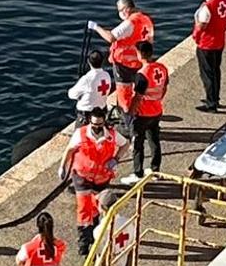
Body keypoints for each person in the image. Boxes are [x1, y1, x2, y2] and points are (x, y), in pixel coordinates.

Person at [60, 110, 121, 254]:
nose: (97, 127)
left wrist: (116, 159)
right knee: (83, 209)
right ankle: (83, 242)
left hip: (101, 179)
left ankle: (94, 238)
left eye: (100, 124)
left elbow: (125, 144)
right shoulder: (80, 134)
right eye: (94, 124)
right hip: (82, 177)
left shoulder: (111, 135)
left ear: (104, 122)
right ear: (89, 122)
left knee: (96, 209)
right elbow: (69, 150)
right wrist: (63, 166)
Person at [91, 0, 155, 99]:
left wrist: (96, 27)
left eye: (120, 10)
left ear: (126, 10)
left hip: (124, 64)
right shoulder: (146, 19)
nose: (119, 13)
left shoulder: (130, 23)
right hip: (140, 61)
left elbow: (110, 37)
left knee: (123, 91)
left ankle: (124, 111)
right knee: (138, 87)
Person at [192, 0, 226, 112]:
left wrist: (196, 36)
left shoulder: (207, 7)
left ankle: (211, 103)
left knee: (207, 73)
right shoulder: (225, 1)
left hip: (207, 44)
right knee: (216, 71)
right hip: (219, 41)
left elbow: (202, 25)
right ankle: (215, 97)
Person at [128, 48, 169, 179]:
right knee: (154, 141)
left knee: (138, 144)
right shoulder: (161, 68)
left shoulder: (142, 74)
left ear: (140, 54)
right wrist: (158, 99)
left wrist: (130, 112)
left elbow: (138, 97)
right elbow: (164, 87)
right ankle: (155, 170)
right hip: (156, 111)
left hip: (142, 114)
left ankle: (137, 173)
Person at [68, 49, 115, 121]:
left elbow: (71, 95)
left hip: (86, 113)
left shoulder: (87, 79)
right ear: (102, 62)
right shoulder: (106, 75)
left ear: (89, 62)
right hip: (102, 110)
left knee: (79, 131)